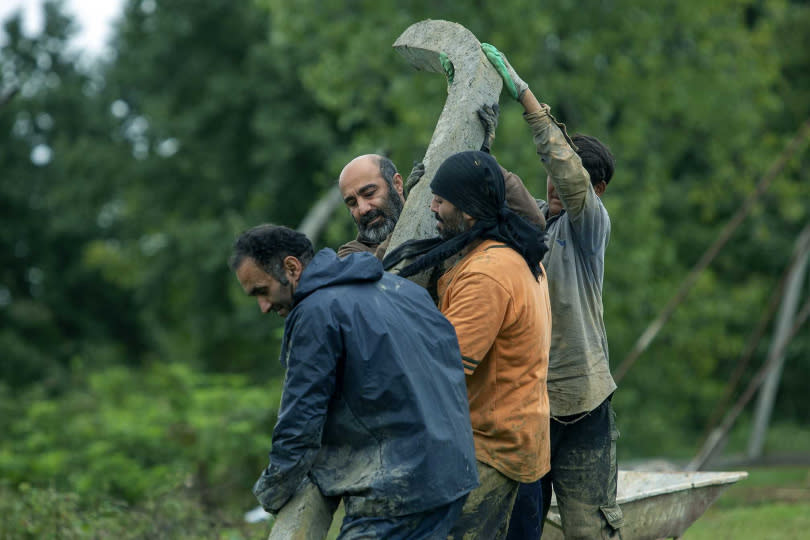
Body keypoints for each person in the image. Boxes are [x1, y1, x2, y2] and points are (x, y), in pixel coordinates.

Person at [229, 224, 479, 538]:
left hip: (401, 490)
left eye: (262, 292)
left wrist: (271, 492)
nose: (263, 307)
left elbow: (300, 423)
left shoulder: (315, 313)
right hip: (453, 472)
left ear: (292, 268)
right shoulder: (398, 288)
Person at [483, 43, 624, 539]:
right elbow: (492, 198)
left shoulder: (589, 227)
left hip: (583, 401)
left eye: (566, 177)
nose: (554, 184)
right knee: (519, 527)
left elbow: (570, 174)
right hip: (529, 407)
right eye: (550, 176)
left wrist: (523, 96)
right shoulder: (532, 229)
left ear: (597, 189)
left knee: (589, 529)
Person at [384, 150, 552, 539]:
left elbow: (446, 369)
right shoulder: (516, 255)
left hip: (492, 456)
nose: (432, 207)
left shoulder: (486, 275)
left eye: (441, 200)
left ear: (470, 211)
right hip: (522, 448)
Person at [336, 111, 545, 260]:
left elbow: (531, 223)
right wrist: (414, 209)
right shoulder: (351, 255)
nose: (362, 209)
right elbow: (386, 276)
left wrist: (482, 164)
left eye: (369, 193)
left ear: (397, 184)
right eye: (352, 203)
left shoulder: (448, 223)